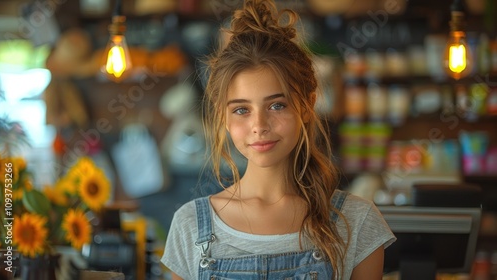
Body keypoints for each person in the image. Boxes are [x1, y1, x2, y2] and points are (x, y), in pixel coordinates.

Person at [161, 0, 396, 279]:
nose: (259, 126)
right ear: (223, 116)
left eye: (276, 105)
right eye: (241, 110)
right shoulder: (189, 225)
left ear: (307, 106)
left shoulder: (357, 221)